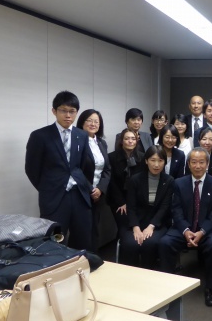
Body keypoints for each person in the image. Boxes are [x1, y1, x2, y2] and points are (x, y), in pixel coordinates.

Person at [25, 91, 94, 250]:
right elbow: (32, 169)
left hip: (79, 195)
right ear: (54, 111)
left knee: (82, 239)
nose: (68, 115)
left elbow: (83, 165)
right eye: (63, 110)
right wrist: (47, 188)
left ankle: (79, 264)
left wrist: (83, 184)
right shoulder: (40, 136)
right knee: (54, 241)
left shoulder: (81, 135)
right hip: (54, 197)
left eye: (72, 111)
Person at [158, 147, 212, 306]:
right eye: (194, 162)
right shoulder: (179, 183)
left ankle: (211, 289)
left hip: (208, 230)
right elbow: (176, 210)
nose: (198, 166)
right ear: (188, 164)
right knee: (165, 243)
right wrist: (186, 230)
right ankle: (166, 286)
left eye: (201, 162)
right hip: (185, 228)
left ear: (207, 164)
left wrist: (202, 232)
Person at [121, 145, 174, 269]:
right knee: (131, 244)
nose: (156, 165)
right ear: (146, 161)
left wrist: (151, 226)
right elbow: (131, 206)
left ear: (165, 162)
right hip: (136, 221)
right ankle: (129, 275)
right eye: (152, 160)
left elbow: (165, 207)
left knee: (150, 243)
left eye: (160, 160)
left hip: (157, 223)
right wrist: (136, 227)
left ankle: (149, 274)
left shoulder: (169, 180)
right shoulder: (135, 179)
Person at [76, 109, 111, 251]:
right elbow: (76, 170)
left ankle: (93, 258)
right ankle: (80, 260)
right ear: (82, 122)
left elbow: (107, 169)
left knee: (95, 229)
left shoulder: (102, 143)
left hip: (98, 195)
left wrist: (100, 189)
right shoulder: (77, 142)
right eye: (89, 120)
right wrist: (91, 189)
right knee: (82, 231)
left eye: (96, 121)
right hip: (82, 193)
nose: (93, 124)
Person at [108, 129, 146, 232]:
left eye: (133, 139)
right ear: (121, 141)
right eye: (127, 138)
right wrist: (121, 202)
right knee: (123, 225)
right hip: (118, 200)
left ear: (136, 141)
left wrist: (132, 203)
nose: (130, 141)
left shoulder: (143, 157)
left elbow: (142, 181)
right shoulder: (111, 157)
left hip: (136, 200)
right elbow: (111, 182)